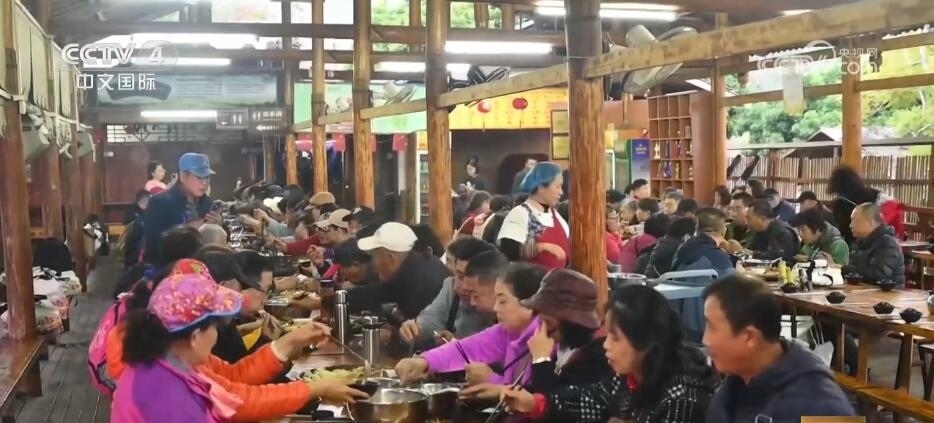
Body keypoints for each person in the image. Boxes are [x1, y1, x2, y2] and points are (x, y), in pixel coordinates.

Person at [112, 266, 368, 422]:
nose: (216, 335)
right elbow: (238, 402)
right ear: (195, 336)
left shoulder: (171, 361)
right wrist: (312, 389)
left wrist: (289, 343)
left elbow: (233, 386)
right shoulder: (169, 397)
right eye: (214, 327)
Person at [501, 285, 716, 423]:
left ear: (645, 342)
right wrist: (534, 404)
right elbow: (590, 400)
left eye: (616, 337)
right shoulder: (627, 376)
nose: (606, 345)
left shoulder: (682, 398)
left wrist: (541, 361)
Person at [702, 274, 855, 422]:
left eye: (712, 327)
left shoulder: (822, 407)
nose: (705, 340)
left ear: (749, 337)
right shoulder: (734, 387)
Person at [395, 263, 546, 396]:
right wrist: (423, 362)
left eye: (502, 301)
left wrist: (491, 380)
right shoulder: (506, 331)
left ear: (530, 304)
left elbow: (540, 402)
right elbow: (465, 349)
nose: (495, 308)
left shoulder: (550, 342)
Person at [511, 269, 611, 394]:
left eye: (547, 322)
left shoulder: (597, 358)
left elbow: (555, 399)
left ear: (571, 322)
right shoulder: (563, 349)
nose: (540, 330)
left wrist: (541, 359)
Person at [399, 238, 498, 350]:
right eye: (460, 276)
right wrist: (416, 328)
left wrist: (457, 345)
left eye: (470, 278)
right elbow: (432, 318)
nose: (463, 286)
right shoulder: (450, 287)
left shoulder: (500, 307)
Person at [347, 222, 449, 319]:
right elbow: (376, 293)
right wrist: (341, 296)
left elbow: (421, 329)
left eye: (375, 256)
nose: (374, 264)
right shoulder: (410, 267)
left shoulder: (420, 283)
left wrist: (394, 330)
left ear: (391, 259)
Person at [142, 153, 221, 265]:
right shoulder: (159, 202)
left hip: (203, 268)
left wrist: (218, 225)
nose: (204, 183)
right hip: (168, 269)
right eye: (199, 177)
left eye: (207, 177)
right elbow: (153, 248)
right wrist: (188, 230)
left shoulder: (207, 203)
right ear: (183, 176)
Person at [498, 162, 570, 270]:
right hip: (532, 279)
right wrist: (541, 247)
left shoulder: (556, 215)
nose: (561, 192)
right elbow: (508, 250)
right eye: (557, 187)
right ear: (541, 187)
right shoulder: (520, 214)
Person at [842, 202, 905, 286]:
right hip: (863, 290)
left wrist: (843, 269)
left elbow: (879, 275)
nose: (850, 225)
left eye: (855, 221)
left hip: (887, 293)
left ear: (871, 222)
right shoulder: (860, 242)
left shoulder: (887, 243)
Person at [672, 207, 734, 277]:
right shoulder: (720, 258)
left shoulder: (682, 249)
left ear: (696, 228)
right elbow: (732, 281)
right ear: (723, 230)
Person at [122, 190, 151, 268]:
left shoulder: (150, 210)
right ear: (144, 199)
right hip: (133, 243)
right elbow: (127, 223)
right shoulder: (131, 210)